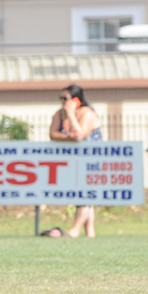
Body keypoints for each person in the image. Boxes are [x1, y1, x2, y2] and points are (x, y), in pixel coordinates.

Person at [45, 83, 102, 238]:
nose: (63, 102)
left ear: (77, 99)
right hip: (72, 160)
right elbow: (53, 134)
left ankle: (75, 229)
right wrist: (68, 137)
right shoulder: (59, 114)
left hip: (90, 160)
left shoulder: (87, 113)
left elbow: (79, 135)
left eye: (66, 98)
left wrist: (70, 113)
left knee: (84, 195)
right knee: (84, 196)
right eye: (61, 98)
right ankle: (90, 233)